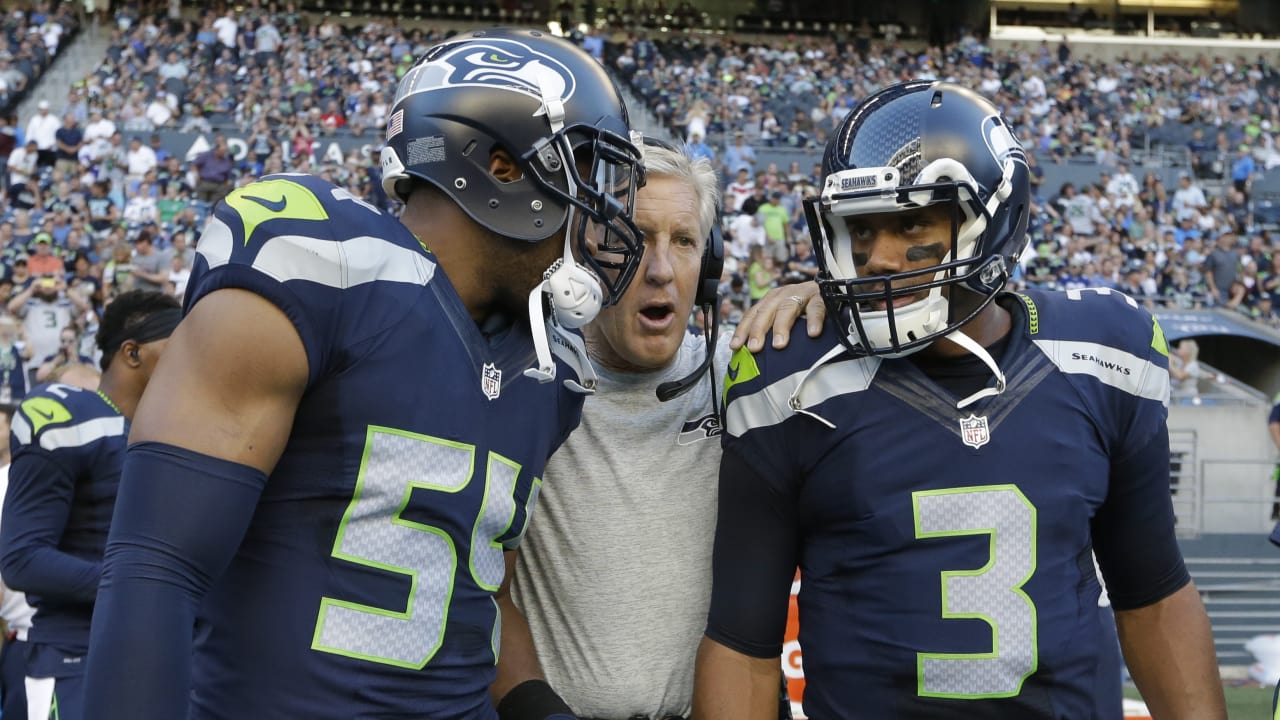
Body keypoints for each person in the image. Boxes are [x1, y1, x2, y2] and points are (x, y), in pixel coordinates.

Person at [82, 29, 648, 719]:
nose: (601, 218)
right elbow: (155, 566)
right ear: (502, 168)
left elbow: (472, 589)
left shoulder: (551, 364)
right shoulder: (320, 262)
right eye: (585, 169)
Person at [693, 81, 1227, 720]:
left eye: (912, 222)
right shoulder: (790, 377)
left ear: (994, 218)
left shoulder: (1107, 355)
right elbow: (743, 643)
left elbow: (1154, 595)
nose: (878, 258)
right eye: (861, 228)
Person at [0, 290, 181, 720]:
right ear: (132, 352)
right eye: (180, 343)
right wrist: (144, 589)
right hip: (80, 655)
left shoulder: (175, 430)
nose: (195, 356)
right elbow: (23, 559)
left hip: (169, 655)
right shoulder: (73, 416)